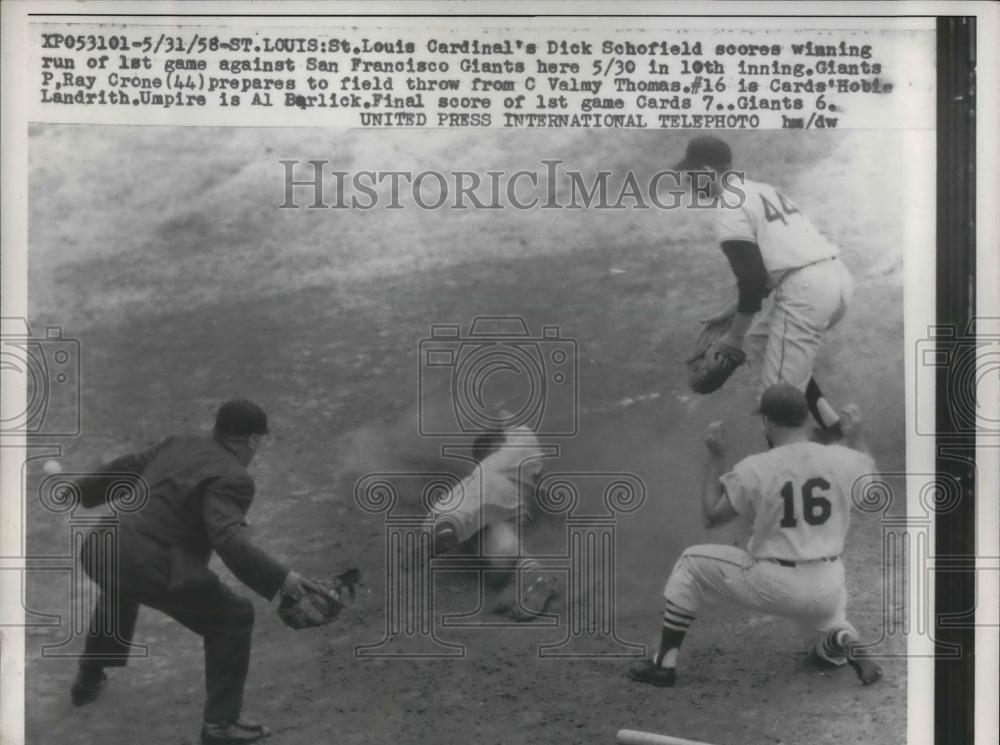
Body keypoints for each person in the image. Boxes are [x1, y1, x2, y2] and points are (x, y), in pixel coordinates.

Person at [72, 399, 329, 745]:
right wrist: (282, 580)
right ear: (252, 440)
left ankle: (88, 681)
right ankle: (221, 726)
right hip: (144, 562)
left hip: (100, 546)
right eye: (260, 441)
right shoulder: (234, 477)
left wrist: (83, 492)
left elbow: (127, 466)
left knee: (122, 582)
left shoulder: (180, 441)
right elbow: (228, 541)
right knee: (234, 617)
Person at [628, 383, 883, 688]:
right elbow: (873, 498)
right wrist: (857, 437)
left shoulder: (756, 468)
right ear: (804, 419)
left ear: (767, 422)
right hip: (829, 585)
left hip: (776, 585)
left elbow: (711, 517)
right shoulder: (841, 458)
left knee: (690, 562)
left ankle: (663, 664)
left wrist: (717, 456)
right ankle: (844, 637)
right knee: (822, 647)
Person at [675, 135, 855, 441]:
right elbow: (775, 265)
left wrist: (732, 338)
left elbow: (752, 280)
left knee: (775, 402)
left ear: (706, 171)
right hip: (835, 280)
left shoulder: (728, 209)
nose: (688, 183)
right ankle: (831, 427)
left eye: (691, 175)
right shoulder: (760, 190)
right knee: (763, 342)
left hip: (805, 295)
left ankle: (783, 478)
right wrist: (732, 315)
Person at [425, 421, 556, 621]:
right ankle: (528, 572)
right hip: (512, 510)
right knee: (493, 538)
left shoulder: (491, 467)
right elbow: (515, 429)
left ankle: (529, 573)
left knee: (471, 525)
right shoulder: (522, 449)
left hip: (496, 504)